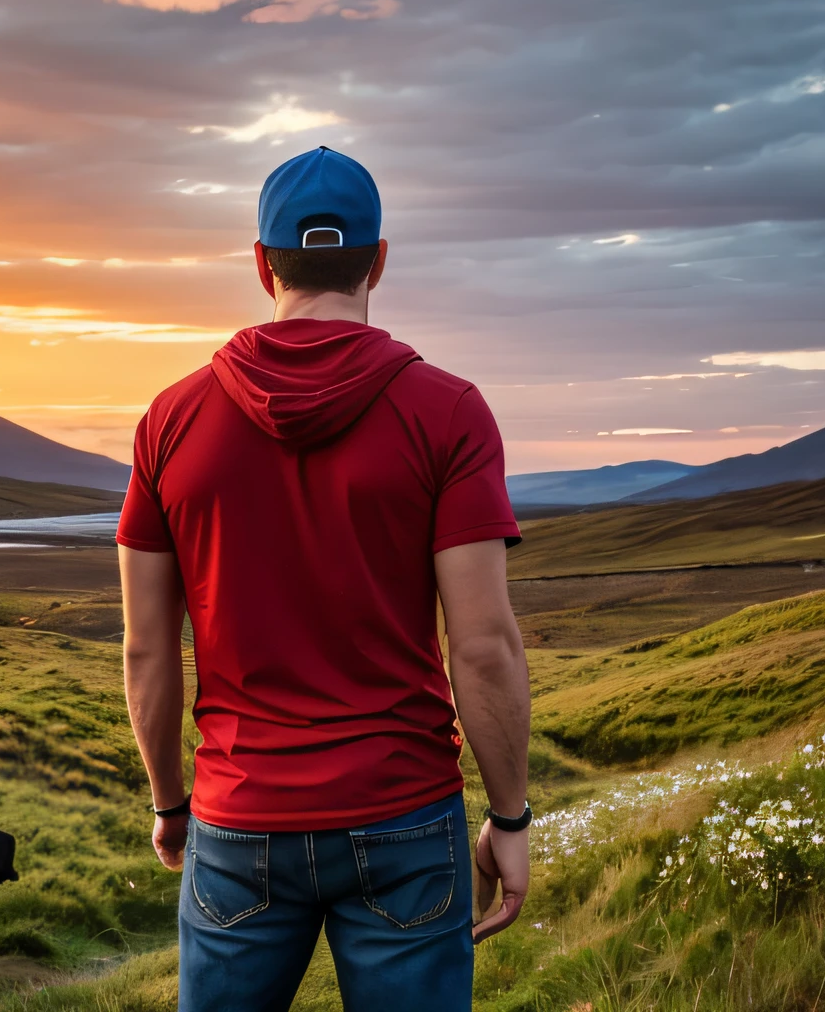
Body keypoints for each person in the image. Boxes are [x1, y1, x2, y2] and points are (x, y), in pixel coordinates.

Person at [116, 146, 531, 1012]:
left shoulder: (170, 420)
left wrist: (170, 804)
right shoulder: (449, 412)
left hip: (237, 815)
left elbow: (147, 649)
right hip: (405, 814)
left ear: (262, 263)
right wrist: (510, 817)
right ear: (379, 258)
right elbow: (483, 646)